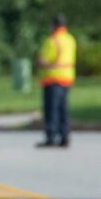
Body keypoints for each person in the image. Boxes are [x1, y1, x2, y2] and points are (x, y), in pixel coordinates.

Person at [36, 15, 77, 148]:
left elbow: (44, 59)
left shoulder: (52, 40)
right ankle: (65, 137)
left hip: (53, 78)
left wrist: (41, 62)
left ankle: (51, 137)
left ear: (54, 25)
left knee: (51, 110)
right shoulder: (70, 39)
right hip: (67, 78)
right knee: (63, 109)